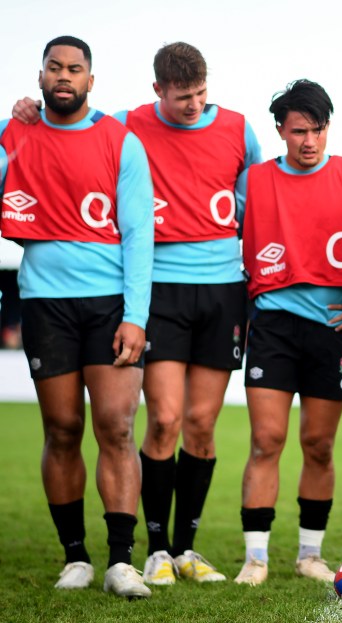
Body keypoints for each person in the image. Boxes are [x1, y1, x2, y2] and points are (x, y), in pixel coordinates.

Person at [12, 42, 262, 586]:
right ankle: (151, 548)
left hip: (221, 289)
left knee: (198, 424)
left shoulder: (240, 129)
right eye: (181, 97)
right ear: (157, 92)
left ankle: (182, 549)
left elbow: (256, 201)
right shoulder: (126, 126)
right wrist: (24, 109)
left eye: (200, 94)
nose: (193, 105)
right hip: (155, 288)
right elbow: (69, 123)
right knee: (160, 420)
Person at [0, 36, 154, 597]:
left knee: (116, 426)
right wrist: (13, 126)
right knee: (61, 429)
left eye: (75, 69)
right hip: (44, 302)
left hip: (110, 304)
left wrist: (136, 315)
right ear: (40, 78)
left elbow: (141, 235)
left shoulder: (120, 141)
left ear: (91, 81)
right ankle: (75, 558)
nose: (64, 76)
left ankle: (120, 562)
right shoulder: (15, 134)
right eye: (54, 68)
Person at [232, 79, 342, 586]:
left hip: (331, 327)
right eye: (299, 131)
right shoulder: (254, 181)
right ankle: (255, 558)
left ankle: (309, 554)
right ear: (280, 130)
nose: (309, 141)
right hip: (274, 325)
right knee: (266, 439)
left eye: (318, 130)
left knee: (318, 445)